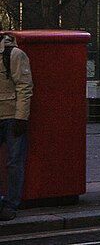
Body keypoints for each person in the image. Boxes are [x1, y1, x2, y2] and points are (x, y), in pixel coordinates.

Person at [0, 31, 32, 223]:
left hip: (11, 117)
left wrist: (21, 117)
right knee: (14, 162)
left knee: (14, 163)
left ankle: (11, 204)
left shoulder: (14, 54)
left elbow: (24, 86)